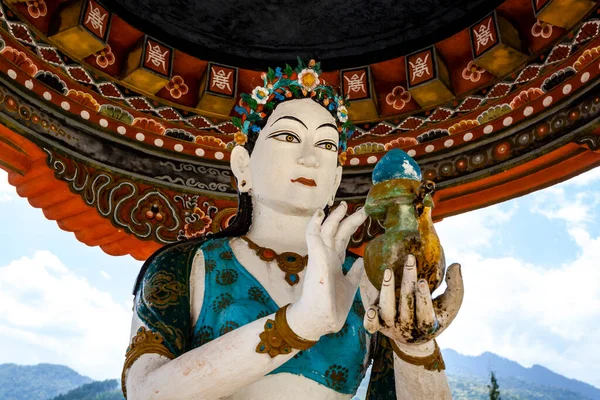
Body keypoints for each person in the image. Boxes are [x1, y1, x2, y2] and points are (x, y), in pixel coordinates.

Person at [122, 60, 464, 400]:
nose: (310, 158)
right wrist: (300, 325)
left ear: (335, 180)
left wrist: (415, 347)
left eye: (327, 145)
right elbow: (143, 392)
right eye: (288, 135)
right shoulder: (185, 266)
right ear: (243, 165)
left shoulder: (367, 279)